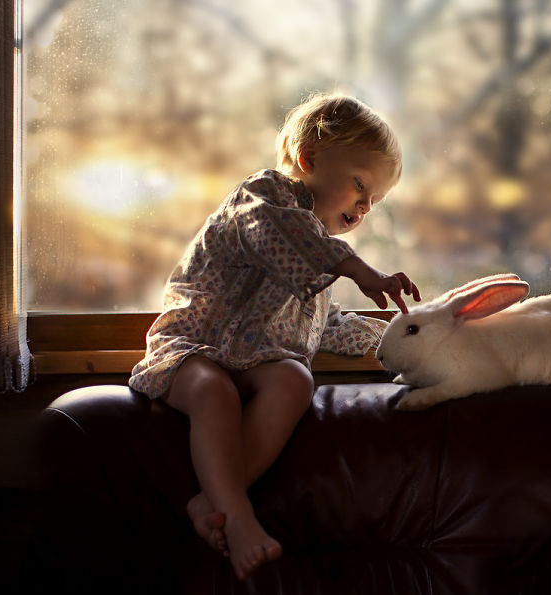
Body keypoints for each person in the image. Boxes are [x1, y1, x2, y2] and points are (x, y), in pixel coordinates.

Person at [129, 93, 421, 580]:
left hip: (258, 363)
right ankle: (239, 518)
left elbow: (332, 328)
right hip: (193, 350)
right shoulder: (263, 198)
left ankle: (210, 502)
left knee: (294, 378)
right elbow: (282, 234)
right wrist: (358, 269)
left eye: (375, 200)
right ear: (308, 159)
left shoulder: (321, 263)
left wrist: (406, 334)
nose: (365, 206)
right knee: (212, 391)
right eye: (360, 185)